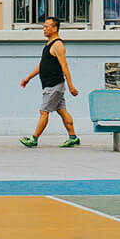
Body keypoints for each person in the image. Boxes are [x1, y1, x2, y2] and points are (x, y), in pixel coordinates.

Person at [19, 17, 81, 148]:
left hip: (54, 85)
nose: (44, 29)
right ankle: (73, 138)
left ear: (55, 28)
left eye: (47, 27)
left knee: (44, 111)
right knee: (62, 110)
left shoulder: (58, 45)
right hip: (51, 84)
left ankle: (34, 139)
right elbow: (42, 65)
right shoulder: (49, 44)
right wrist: (28, 78)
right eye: (44, 27)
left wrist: (71, 86)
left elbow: (64, 66)